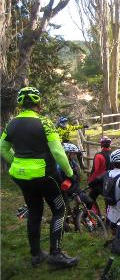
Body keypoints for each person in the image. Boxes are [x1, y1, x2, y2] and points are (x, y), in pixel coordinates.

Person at [0, 87, 79, 268]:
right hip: (45, 175)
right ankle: (56, 255)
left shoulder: (11, 123)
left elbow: (2, 148)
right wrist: (70, 173)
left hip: (21, 177)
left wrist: (17, 163)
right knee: (60, 210)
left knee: (35, 211)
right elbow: (58, 151)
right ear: (39, 104)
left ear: (20, 105)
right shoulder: (44, 122)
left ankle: (36, 254)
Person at [87, 136, 112, 216]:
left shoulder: (99, 156)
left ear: (101, 145)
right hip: (111, 181)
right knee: (108, 200)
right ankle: (109, 219)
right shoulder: (113, 154)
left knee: (91, 198)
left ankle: (98, 216)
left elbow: (95, 170)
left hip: (99, 182)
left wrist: (91, 181)